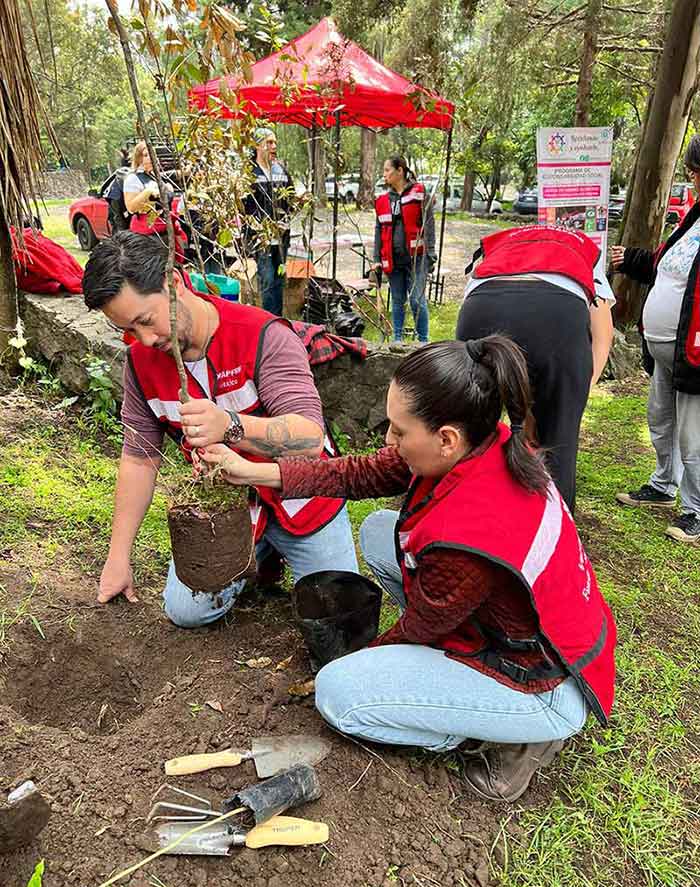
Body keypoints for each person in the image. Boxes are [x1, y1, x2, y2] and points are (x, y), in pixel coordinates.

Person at [200, 337, 617, 803]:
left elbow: (419, 628)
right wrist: (254, 471)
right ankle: (478, 704)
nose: (388, 440)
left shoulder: (469, 534)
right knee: (382, 531)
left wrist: (360, 662)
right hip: (542, 634)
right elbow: (355, 474)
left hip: (543, 684)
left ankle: (513, 736)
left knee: (340, 694)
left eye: (399, 431)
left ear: (445, 439)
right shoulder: (485, 441)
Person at [81, 230, 358, 627]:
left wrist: (229, 425)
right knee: (186, 612)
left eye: (146, 320)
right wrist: (118, 556)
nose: (144, 339)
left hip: (304, 498)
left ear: (173, 284)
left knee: (341, 613)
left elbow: (309, 439)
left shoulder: (262, 335)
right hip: (230, 511)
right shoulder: (141, 364)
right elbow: (139, 460)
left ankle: (279, 552)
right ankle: (257, 558)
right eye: (128, 329)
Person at [456, 225, 615, 512]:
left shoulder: (501, 245)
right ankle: (555, 534)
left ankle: (461, 516)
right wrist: (574, 395)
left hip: (481, 305)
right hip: (557, 313)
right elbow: (603, 336)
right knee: (559, 441)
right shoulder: (582, 250)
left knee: (468, 430)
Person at [611, 135, 700, 545]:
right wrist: (629, 258)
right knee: (660, 420)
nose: (692, 178)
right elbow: (667, 268)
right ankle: (664, 485)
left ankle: (695, 509)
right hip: (666, 350)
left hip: (695, 354)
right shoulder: (693, 217)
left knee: (692, 434)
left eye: (695, 171)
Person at [372, 156, 436, 343]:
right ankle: (397, 339)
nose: (384, 174)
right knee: (397, 300)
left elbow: (429, 223)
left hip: (417, 258)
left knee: (416, 300)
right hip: (392, 259)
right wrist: (376, 257)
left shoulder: (419, 192)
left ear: (400, 171)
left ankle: (423, 341)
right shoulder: (383, 200)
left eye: (387, 170)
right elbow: (378, 230)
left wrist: (431, 252)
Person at [243, 127, 294, 317]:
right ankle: (269, 322)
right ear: (257, 145)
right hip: (261, 239)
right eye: (269, 142)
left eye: (275, 142)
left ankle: (279, 319)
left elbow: (291, 200)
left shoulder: (281, 170)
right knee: (267, 280)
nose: (274, 146)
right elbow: (244, 206)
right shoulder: (249, 173)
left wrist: (285, 222)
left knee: (279, 281)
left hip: (281, 240)